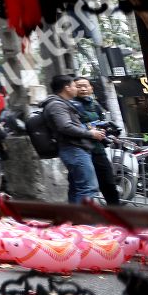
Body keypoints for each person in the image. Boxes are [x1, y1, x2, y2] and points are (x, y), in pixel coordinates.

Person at [43, 73, 107, 204]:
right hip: (74, 150)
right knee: (88, 188)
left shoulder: (61, 103)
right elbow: (65, 126)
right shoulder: (57, 105)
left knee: (77, 188)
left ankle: (75, 221)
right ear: (67, 88)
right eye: (74, 86)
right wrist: (90, 134)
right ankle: (84, 222)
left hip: (74, 149)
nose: (77, 89)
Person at [71, 77, 121, 205]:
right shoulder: (69, 105)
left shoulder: (95, 104)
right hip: (80, 152)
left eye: (85, 86)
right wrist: (89, 129)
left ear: (91, 88)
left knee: (109, 183)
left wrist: (109, 133)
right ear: (72, 88)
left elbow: (101, 124)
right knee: (83, 186)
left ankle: (117, 216)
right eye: (78, 86)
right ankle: (80, 219)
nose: (82, 89)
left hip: (98, 150)